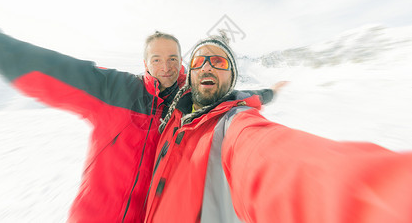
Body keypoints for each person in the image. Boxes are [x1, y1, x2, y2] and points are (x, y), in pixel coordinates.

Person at [0, 12, 280, 222]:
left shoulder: (190, 100)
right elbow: (39, 64)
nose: (166, 66)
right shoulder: (113, 89)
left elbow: (233, 97)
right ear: (145, 63)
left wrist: (267, 94)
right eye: (157, 58)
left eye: (172, 58)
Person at [144, 33, 412, 223]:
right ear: (188, 73)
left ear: (231, 77)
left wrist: (374, 197)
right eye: (199, 61)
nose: (207, 67)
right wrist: (270, 92)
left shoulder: (232, 126)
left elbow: (278, 162)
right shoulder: (175, 114)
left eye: (219, 62)